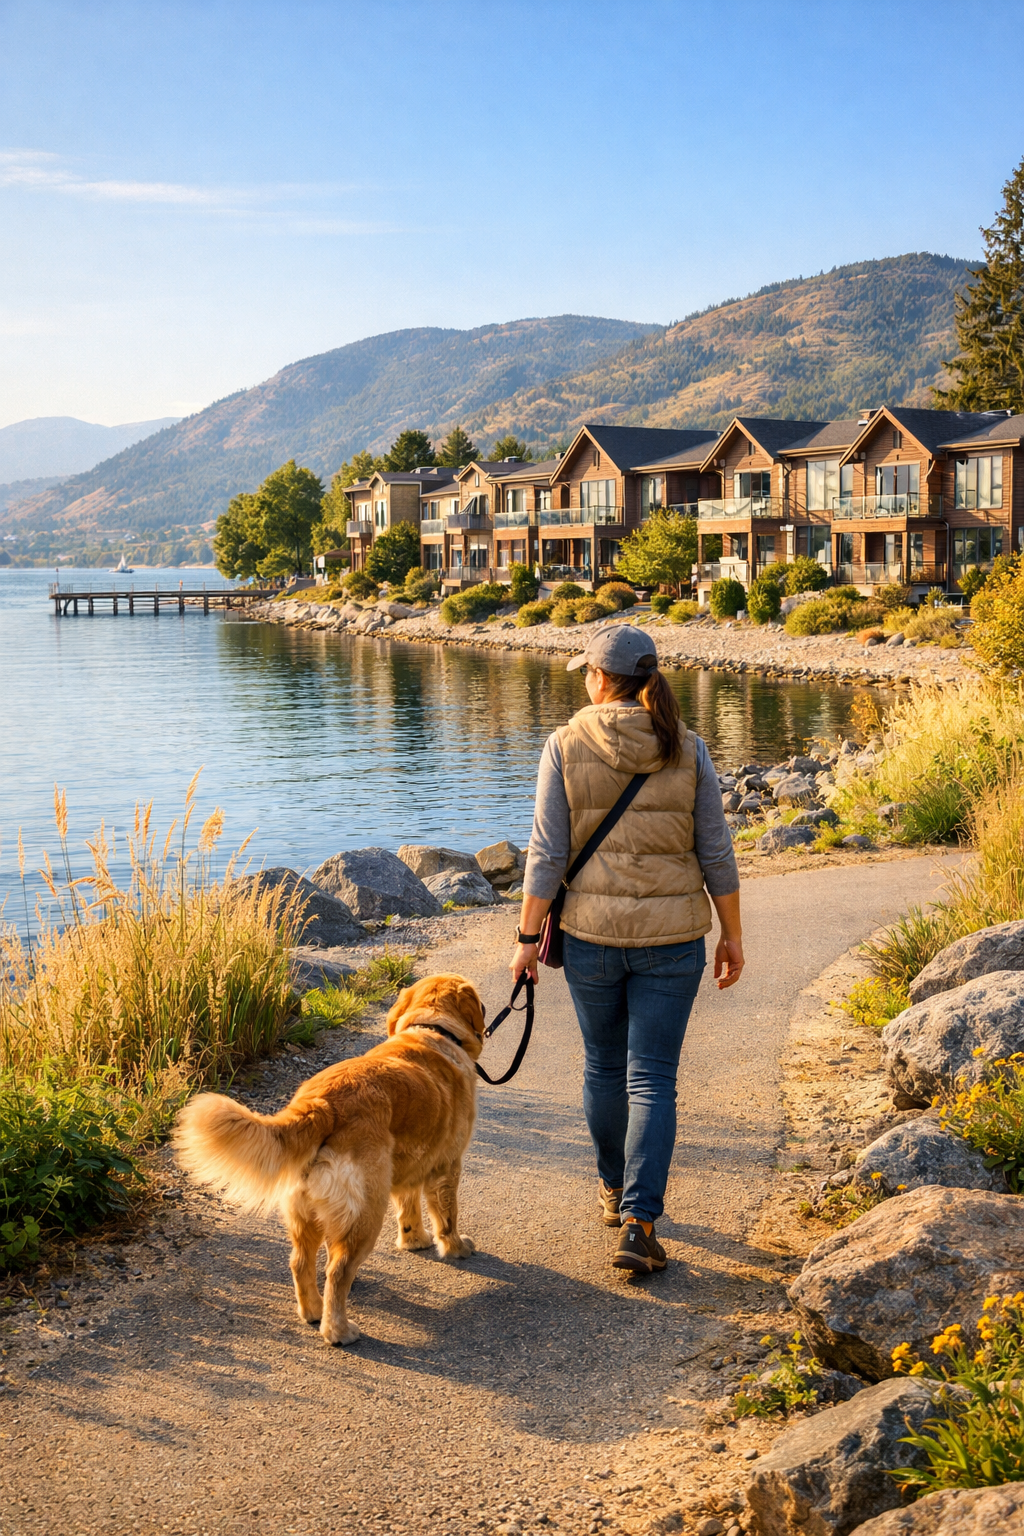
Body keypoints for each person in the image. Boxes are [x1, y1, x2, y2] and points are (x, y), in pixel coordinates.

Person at [511, 624, 744, 1276]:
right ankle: (640, 1224)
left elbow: (547, 855)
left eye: (587, 670)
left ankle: (613, 1191)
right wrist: (732, 933)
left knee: (604, 1069)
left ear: (599, 679)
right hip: (673, 943)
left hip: (591, 939)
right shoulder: (687, 747)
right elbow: (716, 852)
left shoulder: (564, 744)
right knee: (653, 1080)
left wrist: (529, 940)